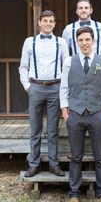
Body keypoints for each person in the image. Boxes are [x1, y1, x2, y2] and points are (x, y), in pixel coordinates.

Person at [60, 26, 101, 202]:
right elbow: (64, 89)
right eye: (81, 40)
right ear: (77, 42)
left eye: (87, 40)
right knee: (76, 157)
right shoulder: (69, 62)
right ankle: (74, 195)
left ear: (93, 41)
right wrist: (66, 113)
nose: (84, 43)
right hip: (75, 115)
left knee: (100, 157)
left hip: (97, 115)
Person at [19, 10, 69, 177]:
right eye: (45, 20)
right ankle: (34, 164)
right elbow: (23, 67)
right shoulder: (29, 42)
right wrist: (28, 87)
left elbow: (66, 67)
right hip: (36, 88)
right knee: (35, 128)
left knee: (53, 129)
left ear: (55, 24)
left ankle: (54, 164)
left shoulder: (61, 42)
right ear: (39, 22)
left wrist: (63, 88)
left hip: (55, 88)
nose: (48, 24)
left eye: (51, 21)